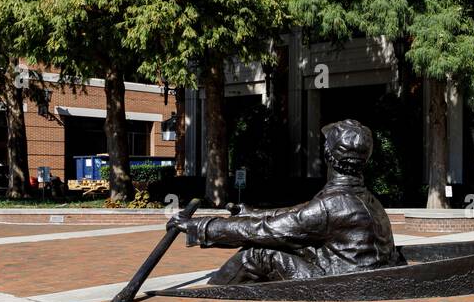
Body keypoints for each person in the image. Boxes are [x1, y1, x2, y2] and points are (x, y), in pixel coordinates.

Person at [169, 119, 396, 284]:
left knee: (255, 254)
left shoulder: (331, 205)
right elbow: (300, 213)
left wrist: (199, 226)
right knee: (283, 241)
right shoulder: (365, 198)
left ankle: (210, 298)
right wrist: (253, 212)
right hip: (357, 270)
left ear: (328, 155)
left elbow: (266, 230)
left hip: (341, 279)